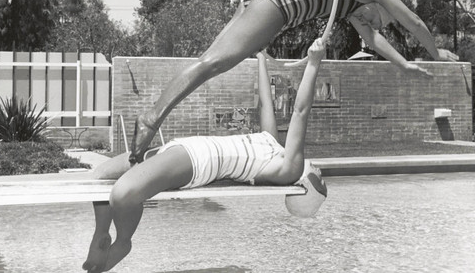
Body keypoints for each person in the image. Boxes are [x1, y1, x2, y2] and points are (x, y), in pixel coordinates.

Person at [129, 0, 459, 163]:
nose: (367, 22)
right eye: (376, 18)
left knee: (209, 64)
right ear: (379, 5)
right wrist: (434, 52)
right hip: (279, 7)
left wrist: (403, 65)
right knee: (213, 63)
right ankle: (150, 118)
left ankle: (150, 121)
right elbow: (414, 22)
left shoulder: (355, 6)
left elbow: (372, 40)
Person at [82, 38, 328, 273]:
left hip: (198, 162)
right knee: (101, 175)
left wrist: (314, 63)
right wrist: (261, 58)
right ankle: (101, 232)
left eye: (320, 177)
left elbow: (300, 111)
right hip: (189, 148)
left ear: (310, 183)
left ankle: (123, 241)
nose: (319, 170)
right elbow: (265, 103)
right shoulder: (273, 143)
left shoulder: (290, 169)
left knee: (123, 195)